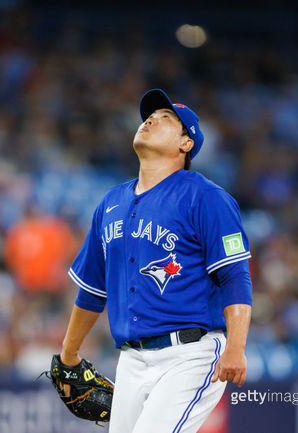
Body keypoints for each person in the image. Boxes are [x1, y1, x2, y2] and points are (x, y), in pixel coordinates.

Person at [60, 89, 253, 433]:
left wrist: (236, 346)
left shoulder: (205, 197)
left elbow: (235, 277)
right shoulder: (111, 203)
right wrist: (68, 356)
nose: (151, 120)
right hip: (131, 359)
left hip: (190, 354)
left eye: (167, 119)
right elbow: (92, 291)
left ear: (186, 144)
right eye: (150, 116)